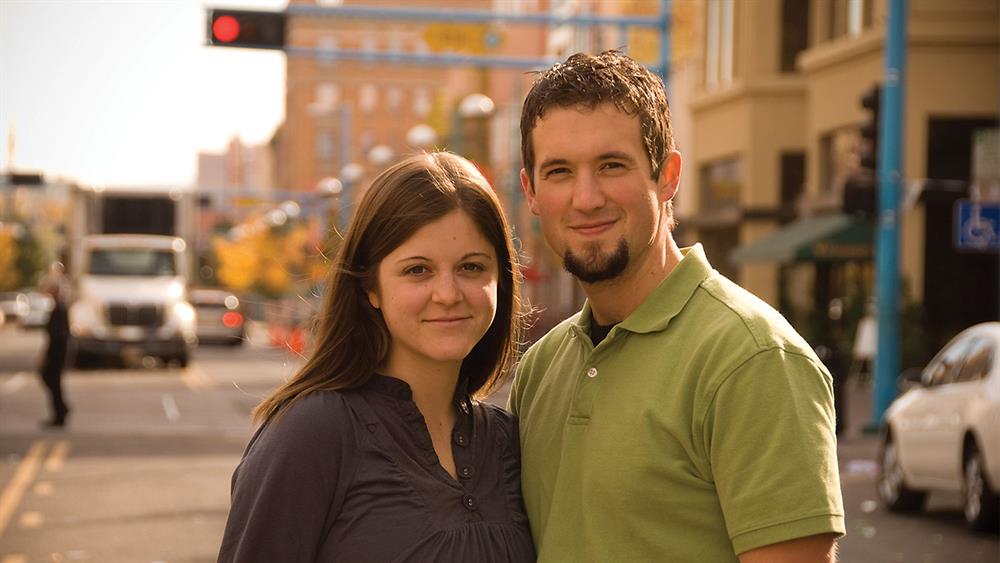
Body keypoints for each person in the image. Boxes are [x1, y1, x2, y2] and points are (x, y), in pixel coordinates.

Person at [509, 50, 845, 562]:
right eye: (559, 171)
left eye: (611, 165)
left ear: (668, 175)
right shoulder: (541, 368)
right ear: (531, 191)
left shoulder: (752, 359)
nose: (585, 197)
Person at [218, 152, 535, 562]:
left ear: (501, 279)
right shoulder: (313, 432)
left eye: (471, 267)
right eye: (417, 270)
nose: (448, 293)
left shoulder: (508, 440)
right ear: (371, 288)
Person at [39, 277, 70, 428]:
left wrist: (48, 355)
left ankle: (61, 412)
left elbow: (57, 335)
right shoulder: (58, 307)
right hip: (57, 351)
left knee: (51, 380)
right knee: (51, 381)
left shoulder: (60, 308)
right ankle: (61, 410)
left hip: (57, 352)